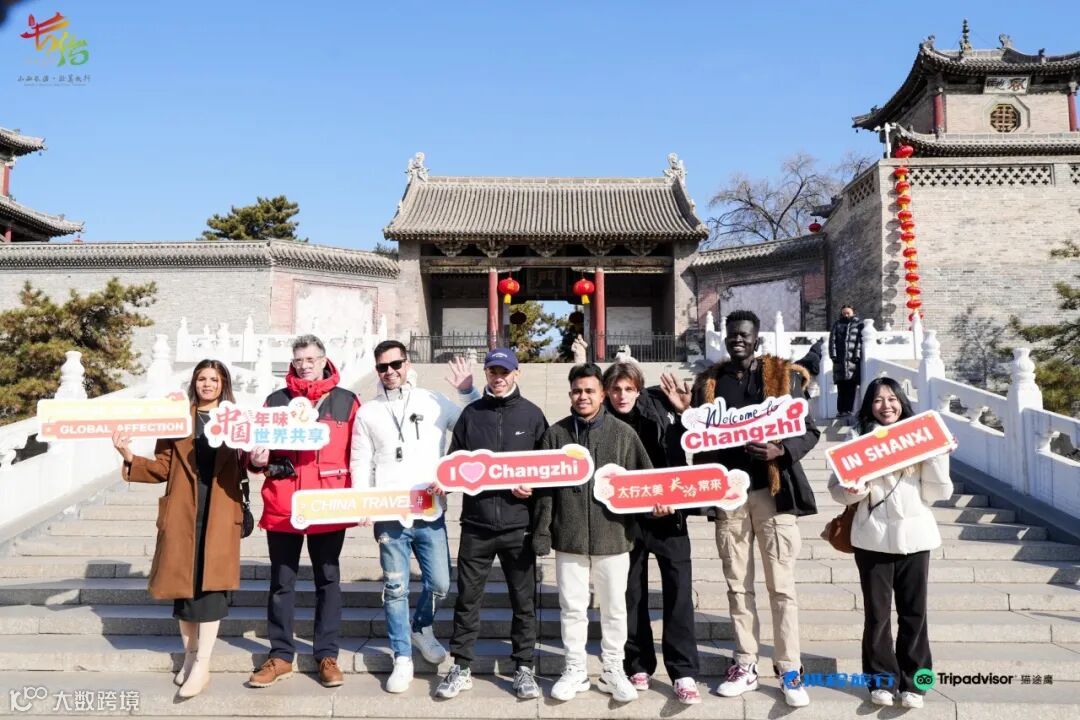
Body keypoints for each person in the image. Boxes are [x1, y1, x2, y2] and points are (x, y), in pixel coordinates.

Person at [674, 309, 820, 708]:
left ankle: (789, 668)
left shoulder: (784, 377)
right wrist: (684, 414)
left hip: (773, 492)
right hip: (731, 496)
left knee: (781, 586)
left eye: (745, 334)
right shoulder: (709, 382)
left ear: (757, 339)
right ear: (725, 338)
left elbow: (810, 431)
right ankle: (745, 663)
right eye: (732, 334)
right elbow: (698, 437)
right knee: (738, 585)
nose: (738, 339)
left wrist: (781, 450)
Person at [350, 340, 480, 693]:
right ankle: (402, 657)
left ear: (407, 364)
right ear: (377, 370)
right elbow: (360, 459)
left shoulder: (432, 400)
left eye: (396, 364)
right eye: (383, 367)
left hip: (429, 509)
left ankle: (421, 626)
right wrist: (362, 500)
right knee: (395, 588)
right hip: (389, 513)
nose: (390, 372)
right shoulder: (368, 412)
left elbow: (474, 423)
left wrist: (468, 392)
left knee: (440, 583)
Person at [111, 359, 244, 698]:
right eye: (202, 378)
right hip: (184, 511)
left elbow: (250, 463)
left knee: (211, 590)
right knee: (184, 589)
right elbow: (162, 467)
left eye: (214, 379)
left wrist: (258, 456)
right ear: (194, 383)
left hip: (219, 510)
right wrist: (128, 454)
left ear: (224, 384)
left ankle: (203, 664)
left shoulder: (237, 419)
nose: (207, 384)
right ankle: (189, 656)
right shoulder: (177, 418)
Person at [827, 377, 954, 710]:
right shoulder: (857, 441)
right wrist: (854, 489)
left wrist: (938, 456)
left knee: (915, 614)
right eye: (878, 400)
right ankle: (882, 680)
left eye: (892, 399)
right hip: (872, 540)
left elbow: (937, 493)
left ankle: (916, 684)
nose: (886, 406)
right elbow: (837, 490)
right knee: (877, 615)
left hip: (916, 538)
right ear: (869, 406)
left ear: (902, 402)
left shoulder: (921, 438)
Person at [532, 363, 653, 704]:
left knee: (614, 609)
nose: (582, 396)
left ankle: (613, 669)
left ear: (602, 394)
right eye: (577, 391)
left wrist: (655, 507)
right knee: (572, 608)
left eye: (589, 391)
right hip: (569, 539)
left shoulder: (623, 434)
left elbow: (644, 480)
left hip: (613, 538)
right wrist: (542, 532)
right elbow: (544, 492)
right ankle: (575, 669)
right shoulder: (555, 435)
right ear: (570, 394)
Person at [247, 335, 361, 689]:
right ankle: (281, 655)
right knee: (281, 582)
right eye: (298, 360)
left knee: (328, 579)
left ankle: (326, 654)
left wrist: (363, 499)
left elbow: (360, 454)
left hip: (327, 504)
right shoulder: (275, 401)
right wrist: (256, 460)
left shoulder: (346, 401)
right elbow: (258, 452)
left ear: (324, 360)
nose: (304, 365)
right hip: (284, 503)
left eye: (311, 359)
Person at [435, 348, 548, 700]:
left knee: (523, 601)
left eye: (504, 371)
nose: (498, 378)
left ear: (516, 373)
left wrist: (533, 487)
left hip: (518, 526)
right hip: (476, 524)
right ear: (486, 374)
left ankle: (524, 667)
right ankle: (461, 666)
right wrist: (444, 482)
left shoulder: (532, 415)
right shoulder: (472, 414)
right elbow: (454, 461)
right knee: (468, 599)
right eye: (493, 371)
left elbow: (547, 468)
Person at [601, 362, 702, 705]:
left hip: (669, 516)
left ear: (639, 390)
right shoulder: (602, 421)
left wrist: (685, 412)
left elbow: (689, 448)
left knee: (678, 592)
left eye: (629, 389)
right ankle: (638, 663)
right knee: (631, 594)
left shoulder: (661, 410)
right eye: (616, 390)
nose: (622, 396)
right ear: (606, 392)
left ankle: (683, 671)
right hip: (626, 521)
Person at [829, 305, 863, 416]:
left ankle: (848, 410)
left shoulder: (859, 325)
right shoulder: (837, 324)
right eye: (844, 313)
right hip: (840, 361)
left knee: (851, 386)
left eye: (848, 313)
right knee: (841, 387)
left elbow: (859, 342)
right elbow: (832, 341)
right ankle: (840, 410)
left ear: (853, 313)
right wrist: (833, 356)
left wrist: (857, 356)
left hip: (852, 361)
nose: (846, 315)